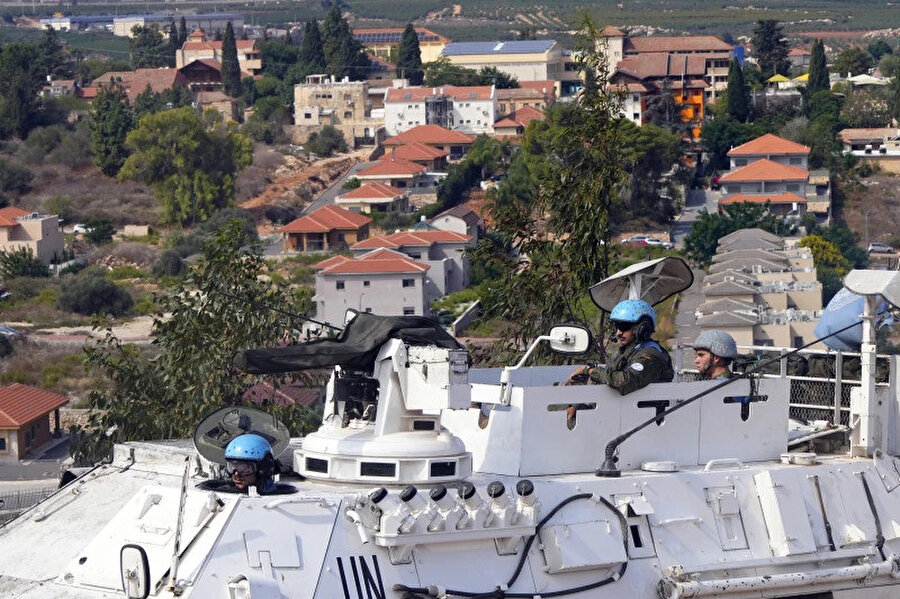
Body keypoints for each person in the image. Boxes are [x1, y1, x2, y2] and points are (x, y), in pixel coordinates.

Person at [568, 298, 674, 395]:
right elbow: (609, 374)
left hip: (645, 414)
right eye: (617, 327)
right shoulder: (628, 351)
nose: (618, 333)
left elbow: (624, 382)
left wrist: (590, 370)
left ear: (642, 328)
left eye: (624, 326)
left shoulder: (650, 356)